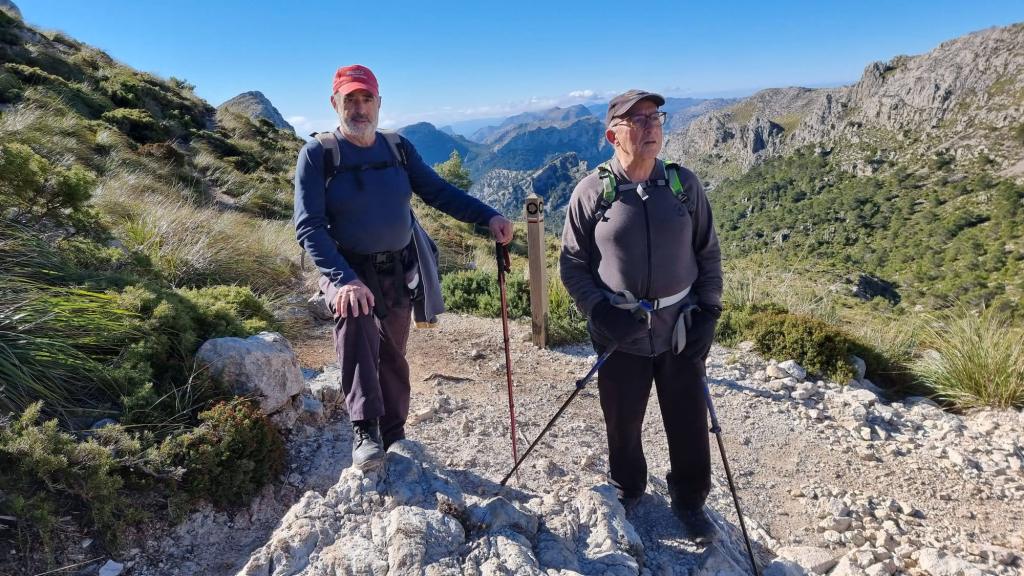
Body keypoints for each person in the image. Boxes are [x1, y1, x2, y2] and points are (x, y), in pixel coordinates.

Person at [294, 64, 513, 471]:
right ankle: (364, 428)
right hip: (347, 269)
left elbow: (438, 192)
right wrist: (344, 280)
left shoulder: (397, 148)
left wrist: (488, 216)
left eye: (366, 99)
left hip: (397, 267)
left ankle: (394, 432)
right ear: (334, 104)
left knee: (393, 352)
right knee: (356, 323)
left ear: (379, 103)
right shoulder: (319, 154)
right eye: (350, 100)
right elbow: (308, 227)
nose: (359, 108)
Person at [559, 89, 723, 542]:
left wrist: (709, 311)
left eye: (656, 117)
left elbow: (708, 252)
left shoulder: (682, 185)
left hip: (681, 326)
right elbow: (572, 264)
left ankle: (690, 501)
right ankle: (628, 487)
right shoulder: (592, 192)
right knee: (622, 417)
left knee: (689, 418)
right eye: (638, 120)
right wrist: (598, 311)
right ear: (613, 135)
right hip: (619, 332)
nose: (652, 126)